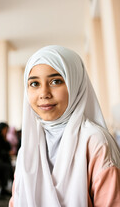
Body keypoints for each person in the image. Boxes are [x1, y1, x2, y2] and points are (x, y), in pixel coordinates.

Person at [9, 45, 120, 207]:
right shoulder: (29, 145)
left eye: (56, 81)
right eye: (34, 84)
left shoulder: (95, 142)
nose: (44, 93)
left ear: (75, 84)